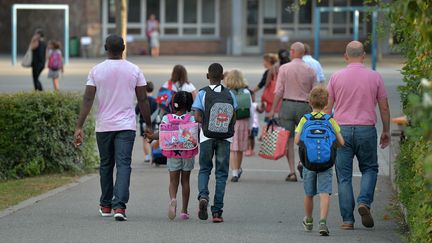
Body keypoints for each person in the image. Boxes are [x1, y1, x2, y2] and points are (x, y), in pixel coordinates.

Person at [73, 35, 153, 221]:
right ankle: (120, 207)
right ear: (123, 48)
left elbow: (87, 99)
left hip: (104, 126)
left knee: (106, 165)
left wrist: (79, 126)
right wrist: (148, 124)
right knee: (124, 164)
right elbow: (142, 99)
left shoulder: (96, 71)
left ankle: (106, 205)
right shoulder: (134, 70)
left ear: (105, 48)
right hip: (126, 126)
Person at [326, 41, 390, 230]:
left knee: (343, 176)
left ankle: (347, 220)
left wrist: (329, 132)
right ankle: (364, 202)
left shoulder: (336, 77)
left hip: (341, 130)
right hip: (366, 130)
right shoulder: (375, 76)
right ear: (364, 56)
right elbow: (384, 107)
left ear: (346, 56)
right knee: (370, 168)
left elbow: (328, 108)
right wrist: (386, 130)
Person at [294, 86, 345, 236]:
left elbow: (297, 140)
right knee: (324, 193)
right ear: (327, 104)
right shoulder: (330, 120)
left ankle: (309, 220)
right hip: (326, 162)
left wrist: (308, 144)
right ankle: (322, 222)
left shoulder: (305, 119)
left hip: (308, 163)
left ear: (310, 102)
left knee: (309, 193)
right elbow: (341, 142)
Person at [192, 63, 238, 223]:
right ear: (223, 77)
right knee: (221, 174)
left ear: (207, 76)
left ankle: (203, 195)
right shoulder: (230, 94)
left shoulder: (202, 93)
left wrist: (205, 122)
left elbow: (197, 115)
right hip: (225, 138)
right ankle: (217, 212)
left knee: (204, 169)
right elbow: (234, 115)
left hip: (206, 137)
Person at [267, 42, 317, 182]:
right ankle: (302, 162)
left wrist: (272, 110)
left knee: (288, 139)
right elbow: (315, 93)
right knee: (304, 138)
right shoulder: (310, 70)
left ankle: (292, 172)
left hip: (287, 105)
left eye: (291, 50)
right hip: (305, 106)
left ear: (294, 51)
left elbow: (278, 91)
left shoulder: (284, 68)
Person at [145, 91, 196, 220]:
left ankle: (173, 199)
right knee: (185, 181)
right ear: (189, 104)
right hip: (187, 153)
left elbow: (161, 133)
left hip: (173, 153)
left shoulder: (167, 118)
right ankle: (184, 211)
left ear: (174, 104)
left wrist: (151, 137)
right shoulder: (191, 118)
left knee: (173, 181)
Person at [224, 69, 252, 182]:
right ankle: (239, 168)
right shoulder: (246, 92)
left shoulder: (227, 92)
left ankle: (234, 172)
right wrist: (251, 126)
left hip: (231, 122)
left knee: (232, 149)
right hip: (244, 122)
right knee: (240, 148)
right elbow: (252, 110)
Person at [135, 81, 157, 163]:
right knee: (153, 139)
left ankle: (147, 156)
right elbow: (157, 113)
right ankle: (154, 154)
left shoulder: (141, 100)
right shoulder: (155, 101)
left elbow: (136, 112)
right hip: (152, 124)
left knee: (145, 140)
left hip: (143, 123)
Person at [245, 91, 263, 156]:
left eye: (254, 96)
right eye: (252, 96)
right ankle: (248, 149)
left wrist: (263, 107)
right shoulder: (247, 104)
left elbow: (260, 111)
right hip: (249, 124)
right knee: (248, 137)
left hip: (254, 125)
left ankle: (251, 149)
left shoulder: (255, 104)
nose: (253, 98)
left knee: (251, 138)